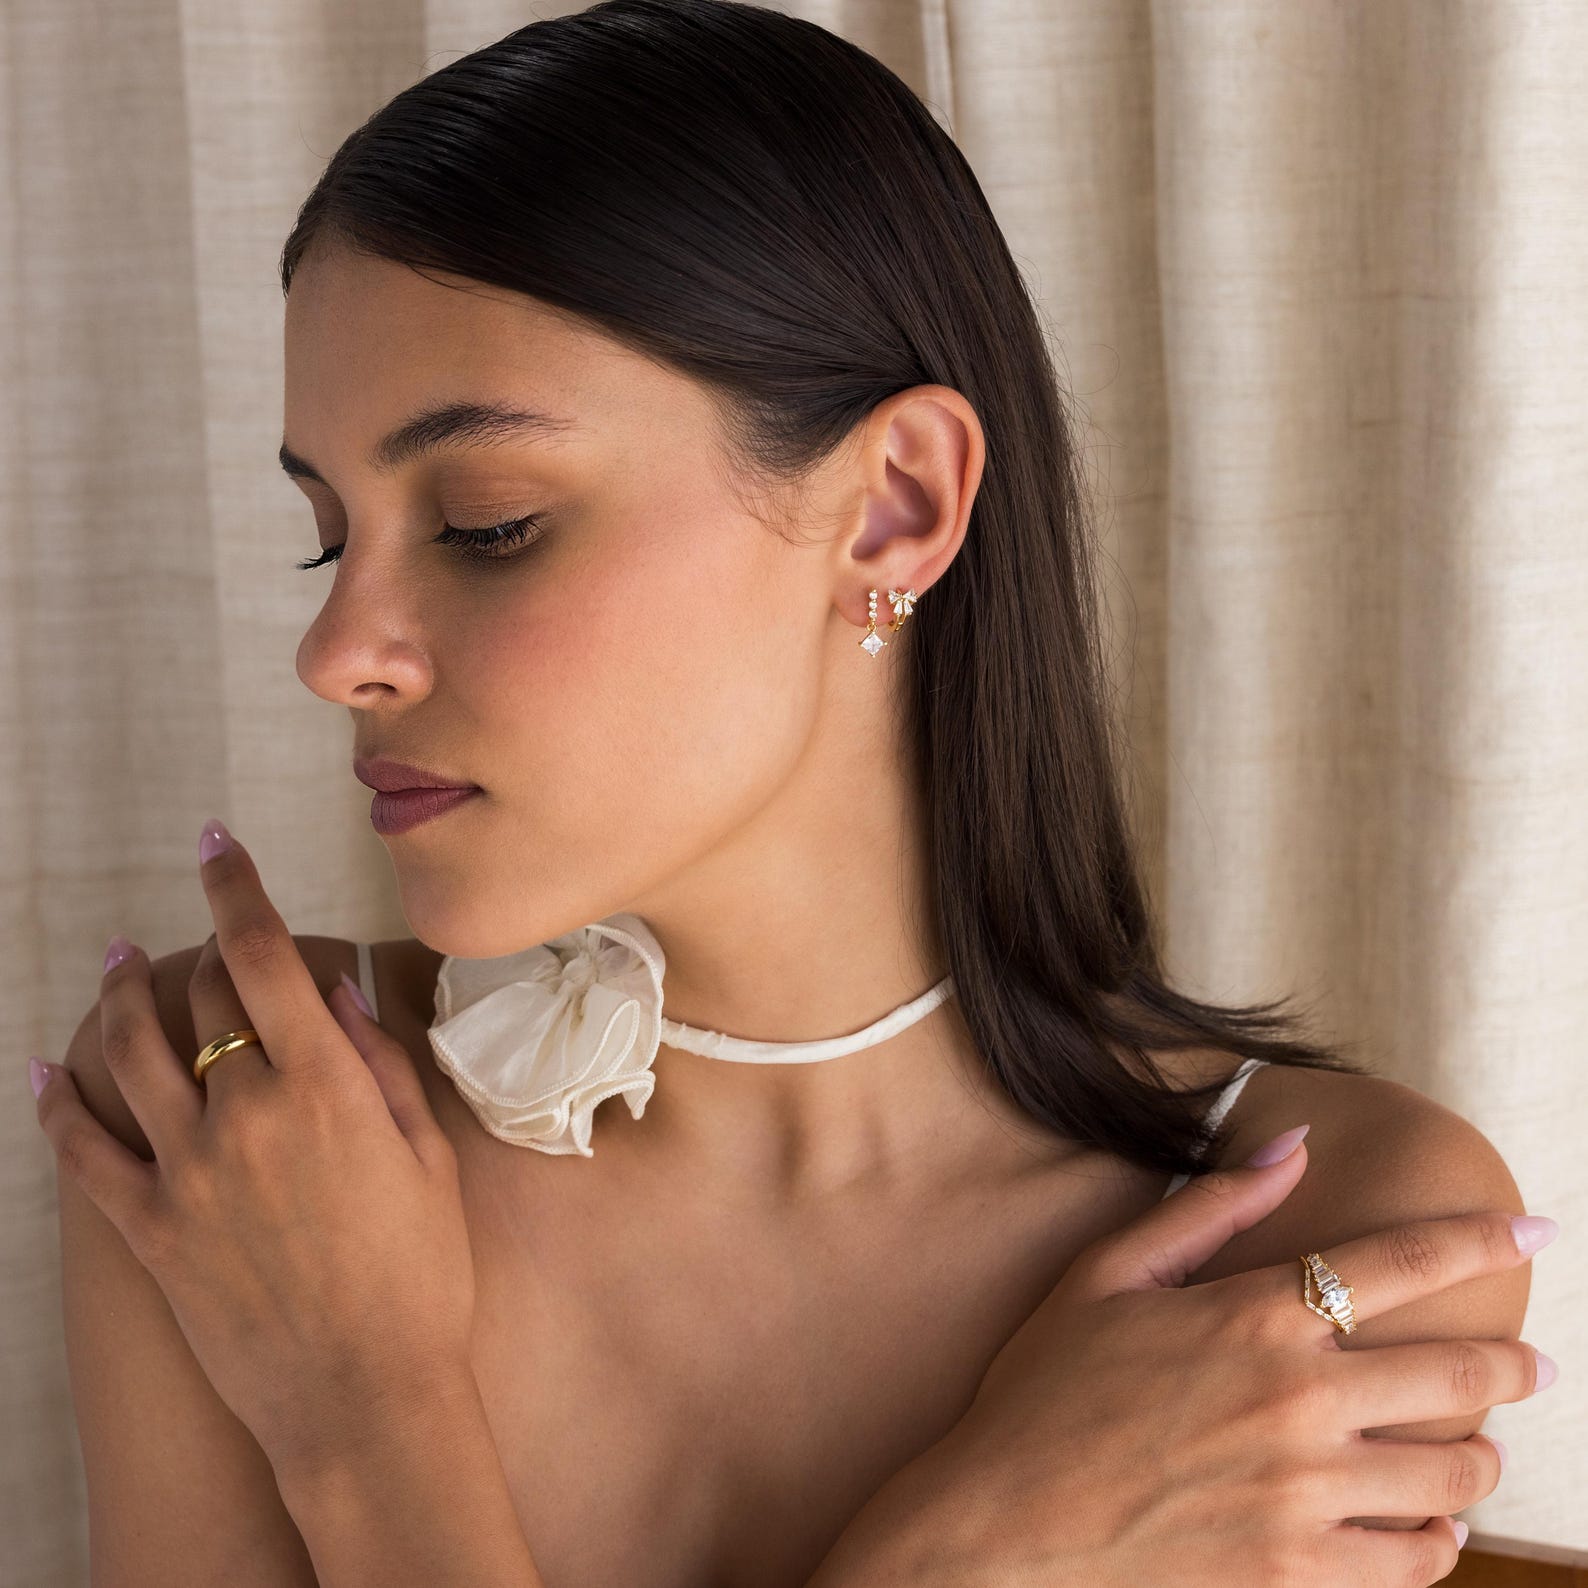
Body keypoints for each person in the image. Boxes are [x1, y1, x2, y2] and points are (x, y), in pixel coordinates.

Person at [52, 2, 1543, 1583]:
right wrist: (978, 1551)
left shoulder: (1318, 1233)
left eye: (487, 522)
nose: (336, 652)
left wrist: (360, 1425)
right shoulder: (240, 1116)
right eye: (327, 537)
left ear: (896, 505)